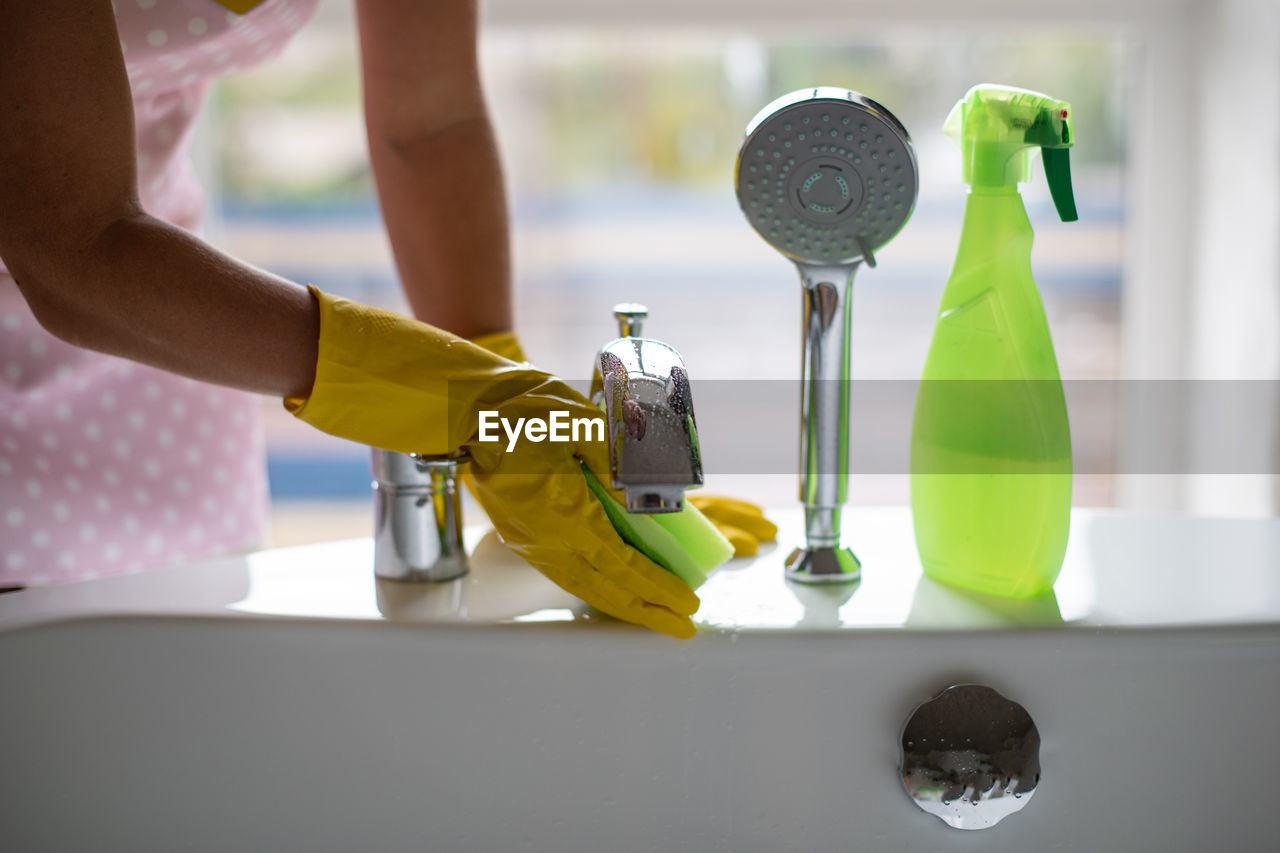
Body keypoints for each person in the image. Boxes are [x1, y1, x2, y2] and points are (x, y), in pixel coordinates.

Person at [0, 0, 772, 637]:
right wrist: (450, 399)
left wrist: (511, 420)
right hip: (103, 270)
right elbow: (72, 246)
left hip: (169, 327)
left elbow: (429, 125)